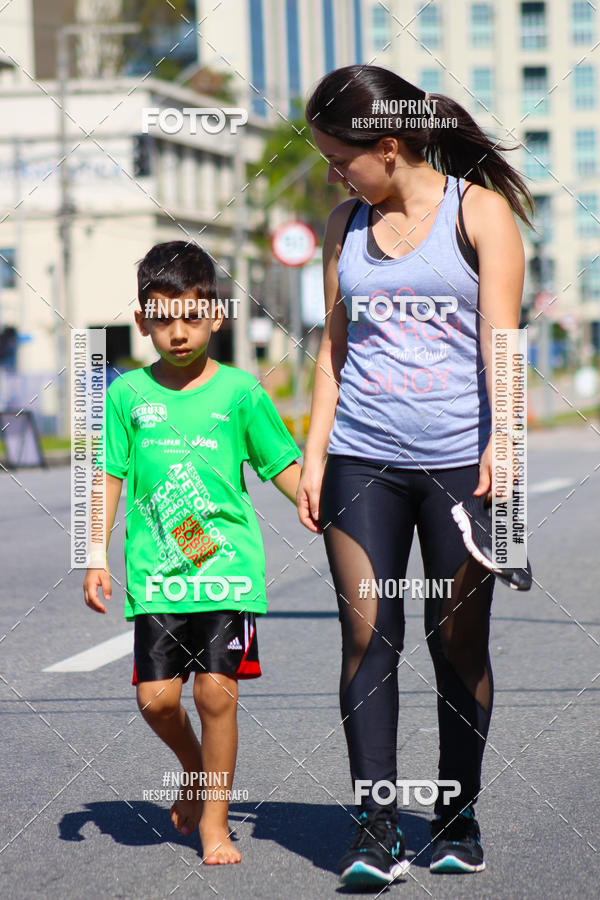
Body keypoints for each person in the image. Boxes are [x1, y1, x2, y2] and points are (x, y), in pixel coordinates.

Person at [297, 65, 533, 887]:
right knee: (367, 633)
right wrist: (315, 452)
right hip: (364, 459)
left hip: (461, 467)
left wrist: (506, 441)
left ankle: (457, 813)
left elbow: (502, 343)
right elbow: (334, 348)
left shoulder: (479, 213)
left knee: (457, 636)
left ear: (387, 146)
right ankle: (374, 832)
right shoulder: (345, 223)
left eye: (339, 159)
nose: (333, 174)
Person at [83, 241, 301, 865]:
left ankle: (215, 823)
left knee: (215, 696)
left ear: (216, 315)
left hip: (225, 569)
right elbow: (108, 476)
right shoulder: (127, 397)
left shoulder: (239, 391)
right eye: (162, 317)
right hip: (157, 574)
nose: (177, 331)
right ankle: (191, 767)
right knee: (156, 700)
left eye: (191, 315)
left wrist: (323, 510)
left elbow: (280, 463)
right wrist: (95, 554)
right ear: (142, 321)